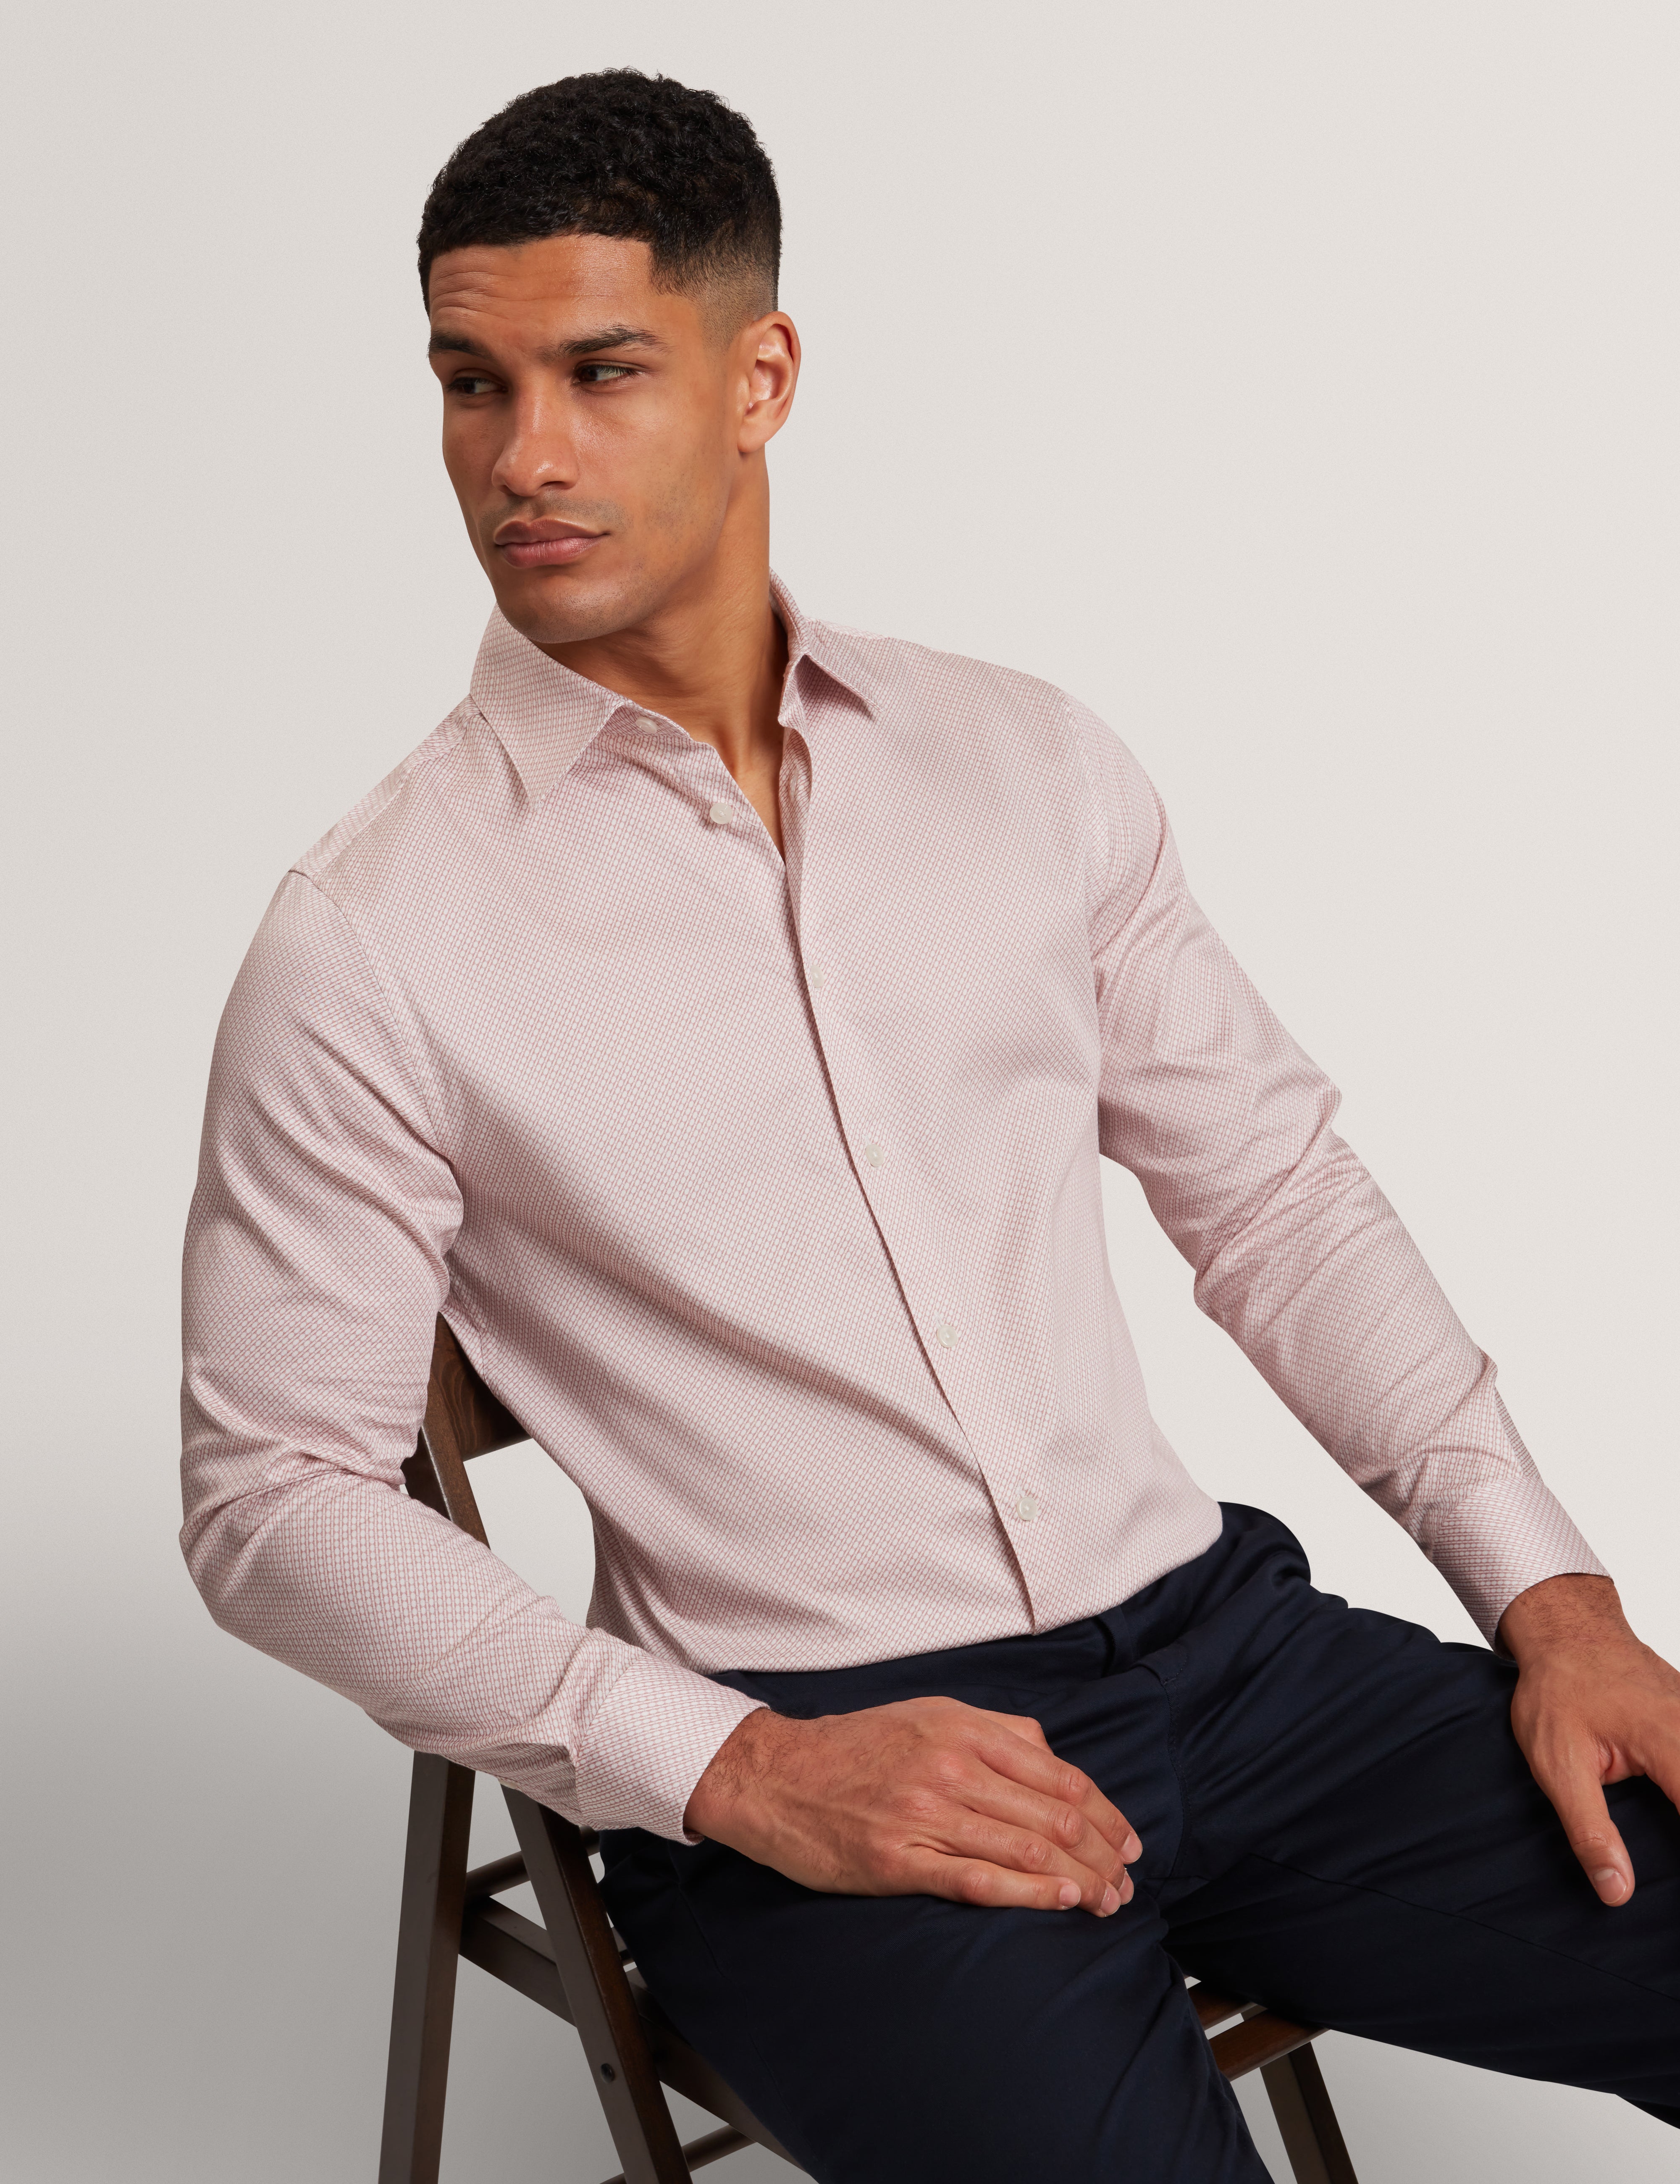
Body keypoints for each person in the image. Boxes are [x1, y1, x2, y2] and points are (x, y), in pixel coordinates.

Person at [179, 68, 1680, 2181]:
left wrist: (1553, 1597)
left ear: (760, 377)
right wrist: (739, 1770)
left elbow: (1273, 1196)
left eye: (600, 371)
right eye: (469, 382)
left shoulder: (1024, 763)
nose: (522, 456)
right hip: (822, 1750)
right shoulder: (373, 935)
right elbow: (271, 1495)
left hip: (1230, 1655)